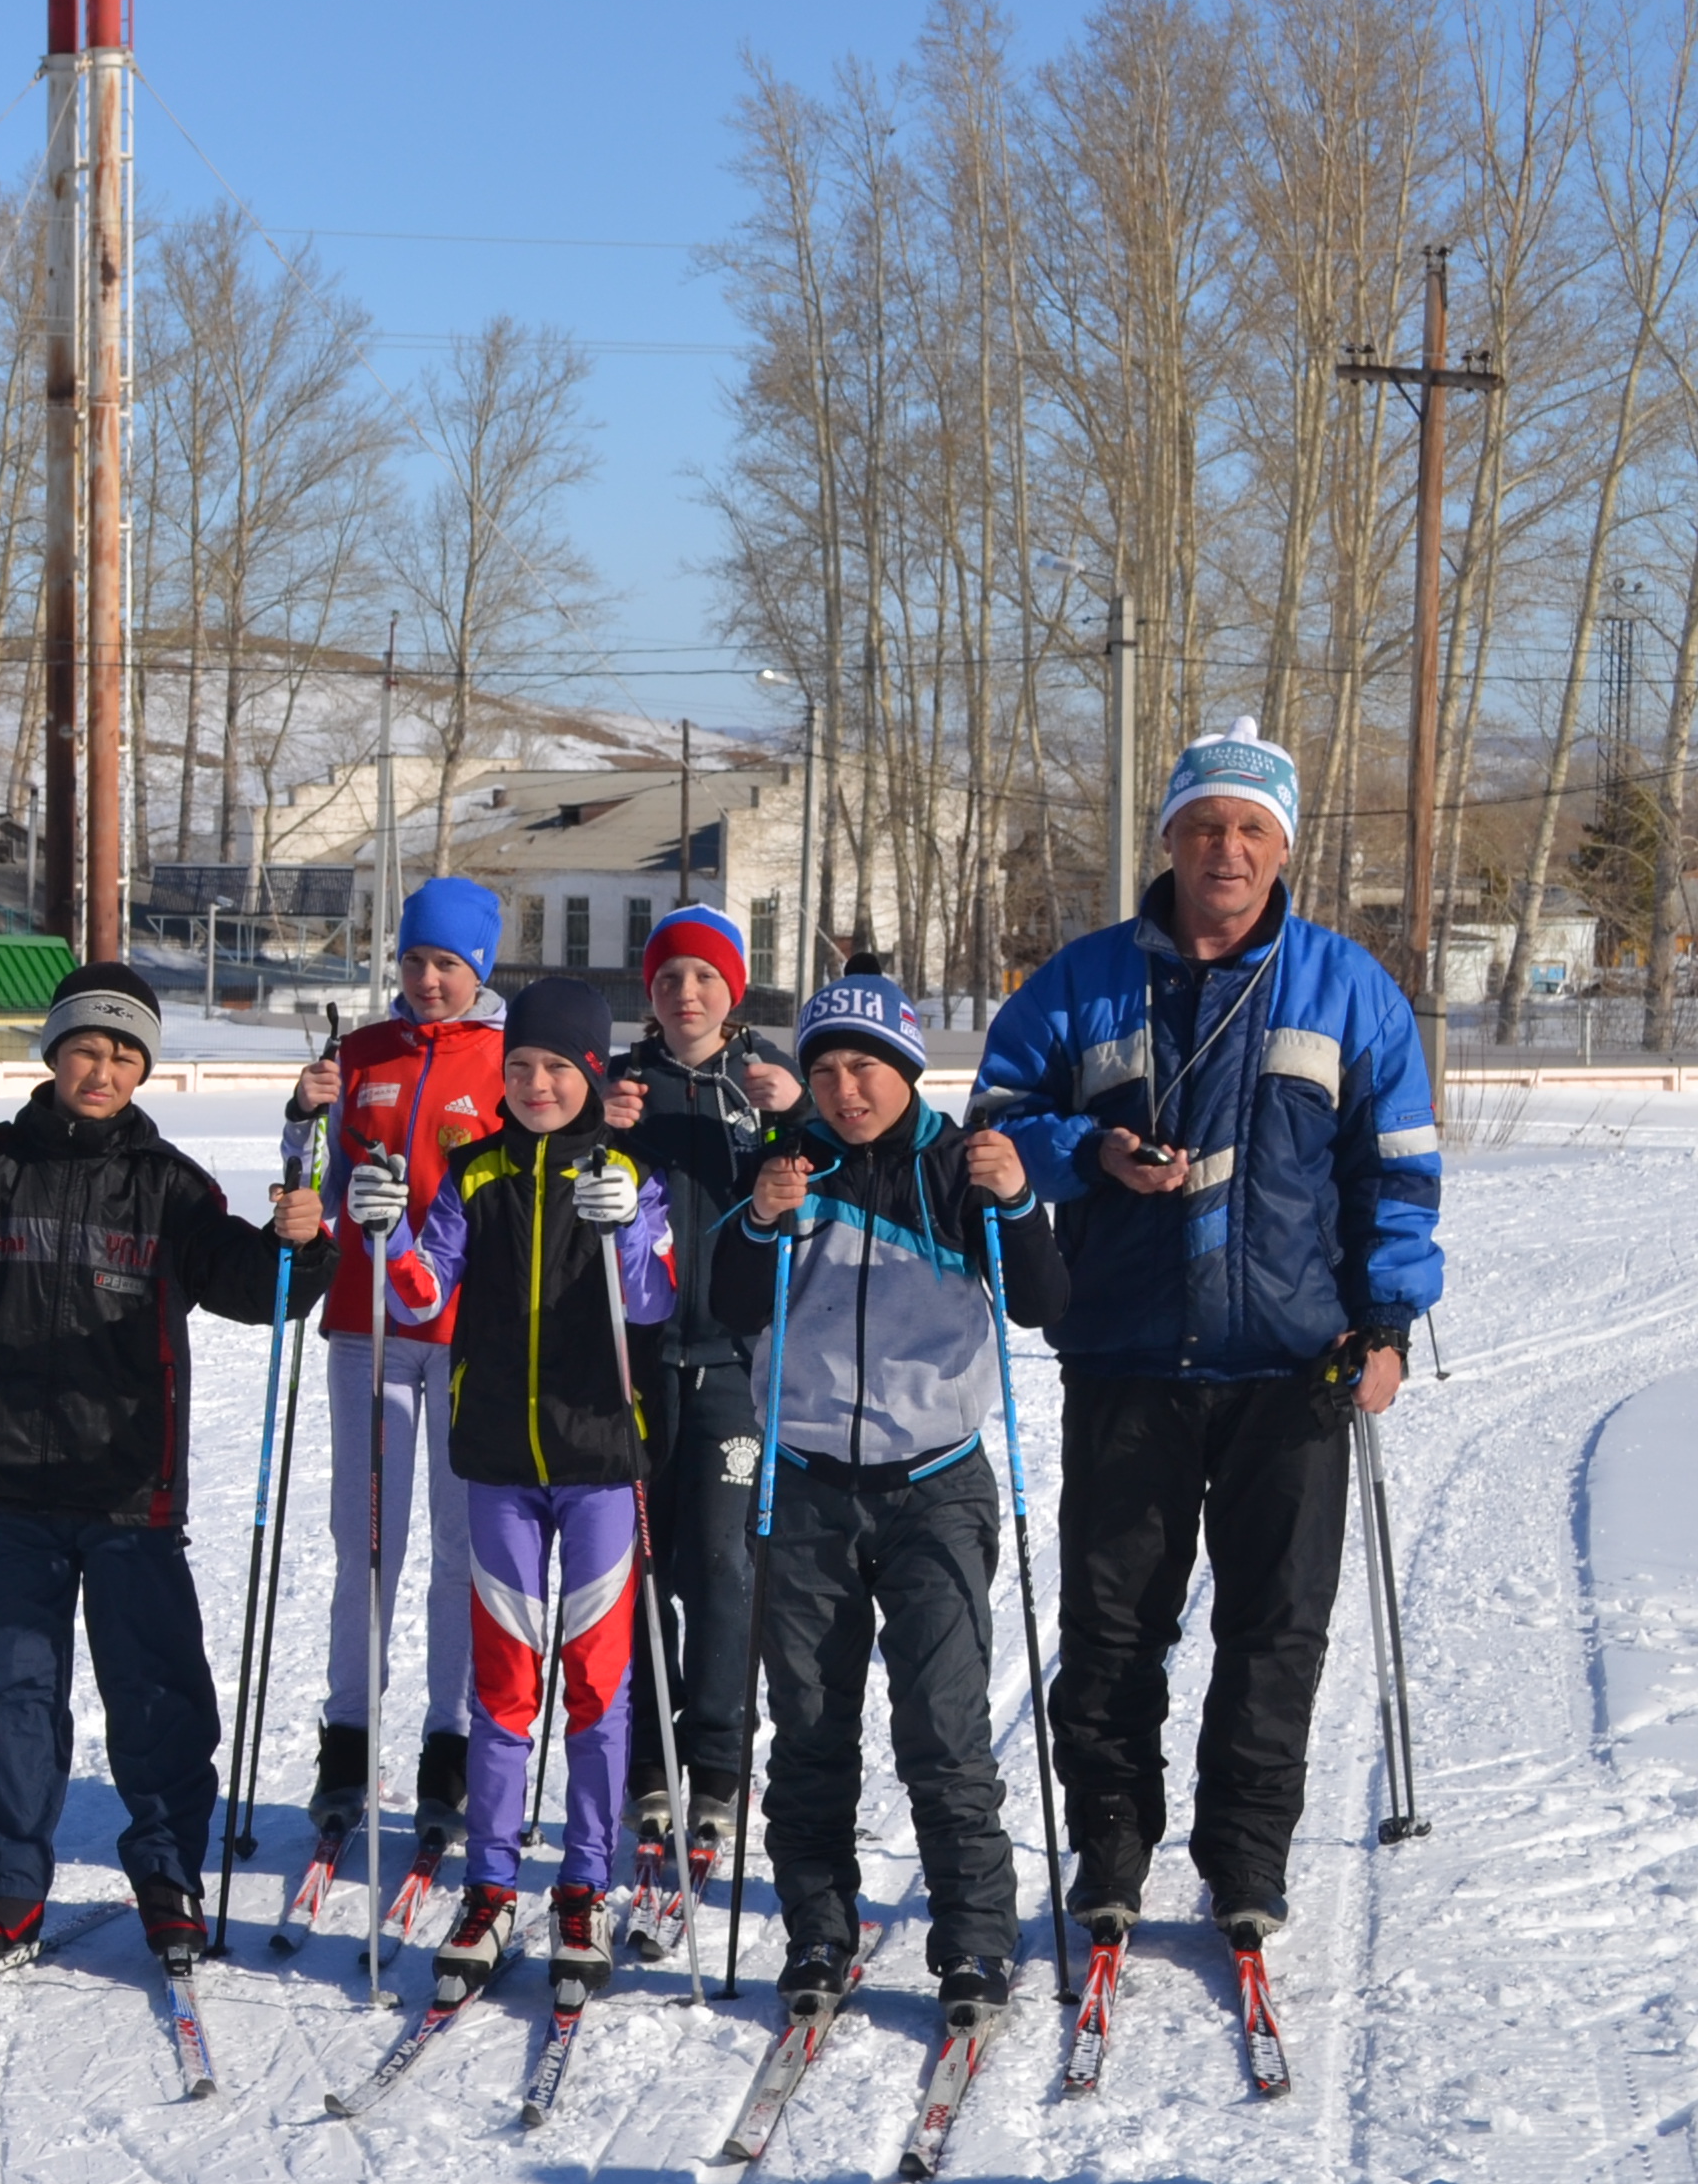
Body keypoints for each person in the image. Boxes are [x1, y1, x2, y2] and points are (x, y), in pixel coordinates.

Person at [971, 729, 1442, 1955]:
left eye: (1251, 831)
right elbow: (994, 1129)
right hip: (1129, 1356)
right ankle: (1113, 1850)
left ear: (1283, 848)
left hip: (1298, 1367)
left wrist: (1386, 1326)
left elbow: (1398, 1177)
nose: (1225, 851)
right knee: (1113, 1629)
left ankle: (1246, 1856)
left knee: (1275, 1629)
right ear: (1169, 839)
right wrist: (1095, 1154)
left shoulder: (1350, 989)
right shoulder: (1081, 983)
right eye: (1203, 826)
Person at [0, 966, 325, 1965]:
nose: (103, 1069)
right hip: (7, 1483)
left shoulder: (170, 1185)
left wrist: (302, 1243)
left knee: (159, 1697)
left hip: (129, 1490)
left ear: (143, 1069)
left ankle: (166, 1878)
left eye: (124, 1055)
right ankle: (10, 1888)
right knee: (7, 1700)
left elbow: (256, 1287)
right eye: (87, 1048)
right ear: (54, 1053)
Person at [716, 962, 1066, 2027]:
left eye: (865, 1068)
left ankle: (973, 1943)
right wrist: (762, 1221)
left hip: (934, 1489)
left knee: (944, 1730)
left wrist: (1017, 1202)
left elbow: (1045, 1305)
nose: (844, 1091)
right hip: (808, 1484)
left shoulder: (960, 1167)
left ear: (906, 1068)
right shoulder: (789, 1165)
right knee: (811, 1730)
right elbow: (730, 1307)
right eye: (824, 1071)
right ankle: (818, 1930)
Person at [351, 973, 677, 2006]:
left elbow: (656, 1296)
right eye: (522, 1066)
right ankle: (491, 1882)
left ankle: (584, 1880)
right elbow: (423, 1290)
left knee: (593, 1683)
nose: (537, 1084)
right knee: (502, 1688)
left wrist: (627, 1227)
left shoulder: (626, 1173)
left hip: (592, 1466)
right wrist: (387, 1231)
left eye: (558, 1068)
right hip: (494, 1457)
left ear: (593, 1072)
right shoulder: (476, 1174)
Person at [288, 878, 513, 1866]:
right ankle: (347, 1740)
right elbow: (314, 1186)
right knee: (366, 1541)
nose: (428, 980)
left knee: (462, 1547)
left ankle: (447, 1743)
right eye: (416, 962)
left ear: (480, 973)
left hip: (468, 1333)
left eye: (448, 966)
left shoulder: (510, 1061)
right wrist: (302, 1118)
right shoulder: (359, 1054)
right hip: (364, 1324)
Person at [600, 902, 803, 1887]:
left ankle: (718, 1763)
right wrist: (605, 1130)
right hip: (636, 1366)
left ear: (734, 991)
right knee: (641, 1567)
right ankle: (652, 1759)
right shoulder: (621, 1086)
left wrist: (793, 1119)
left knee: (723, 1565)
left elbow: (827, 1181)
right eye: (669, 979)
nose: (686, 995)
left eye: (705, 980)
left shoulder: (761, 1083)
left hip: (732, 1365)